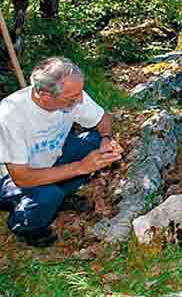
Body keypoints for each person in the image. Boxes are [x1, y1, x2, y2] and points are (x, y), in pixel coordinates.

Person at [0, 57, 122, 247]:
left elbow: (102, 119)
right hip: (14, 177)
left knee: (95, 143)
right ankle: (25, 225)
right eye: (72, 98)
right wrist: (80, 167)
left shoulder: (72, 93)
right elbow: (22, 178)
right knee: (48, 195)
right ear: (45, 95)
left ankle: (60, 195)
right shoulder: (10, 116)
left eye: (80, 92)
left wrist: (106, 139)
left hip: (51, 157)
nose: (80, 99)